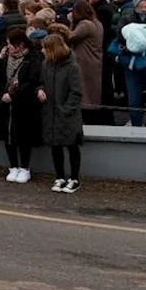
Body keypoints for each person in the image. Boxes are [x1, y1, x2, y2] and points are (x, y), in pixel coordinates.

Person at [0, 28, 42, 184]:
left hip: (24, 103)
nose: (8, 47)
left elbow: (32, 80)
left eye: (10, 44)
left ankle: (24, 167)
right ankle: (13, 166)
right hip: (4, 101)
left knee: (23, 135)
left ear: (20, 45)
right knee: (7, 135)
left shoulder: (33, 58)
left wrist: (14, 94)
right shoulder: (5, 58)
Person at [39, 33, 84, 194]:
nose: (43, 51)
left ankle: (74, 178)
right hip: (50, 111)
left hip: (67, 114)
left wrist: (65, 110)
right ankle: (59, 177)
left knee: (72, 146)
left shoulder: (72, 67)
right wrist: (41, 90)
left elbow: (76, 92)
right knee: (55, 146)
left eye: (45, 48)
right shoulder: (46, 64)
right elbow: (41, 82)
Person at [66, 0, 105, 125]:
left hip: (84, 62)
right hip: (95, 61)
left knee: (85, 95)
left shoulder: (85, 24)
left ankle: (87, 122)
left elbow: (70, 37)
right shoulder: (97, 23)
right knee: (93, 94)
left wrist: (71, 22)